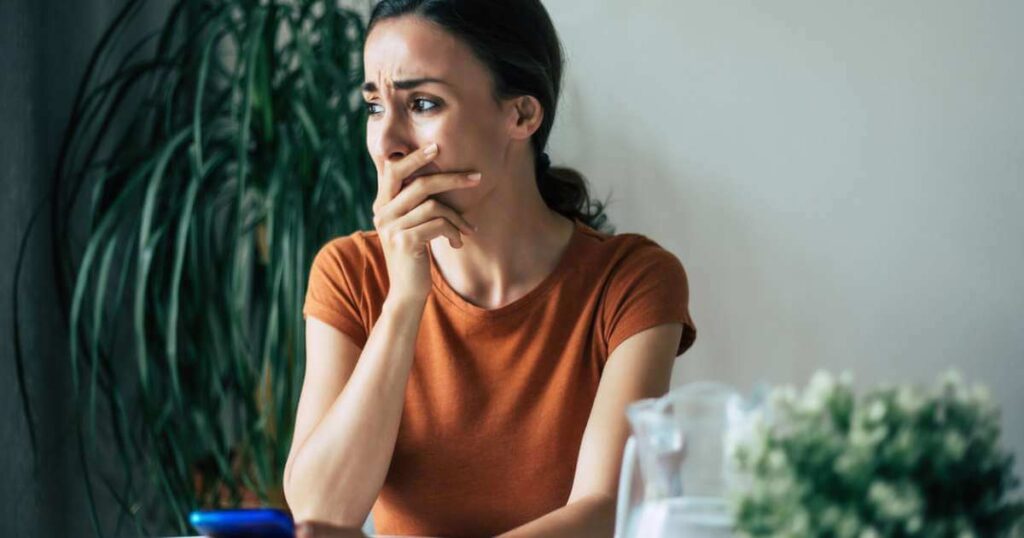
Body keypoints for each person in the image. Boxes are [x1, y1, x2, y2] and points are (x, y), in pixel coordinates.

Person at [283, 1, 697, 536]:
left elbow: (604, 510)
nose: (386, 144)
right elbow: (320, 513)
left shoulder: (631, 282)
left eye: (423, 103)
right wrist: (405, 301)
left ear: (522, 115)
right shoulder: (351, 272)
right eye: (374, 107)